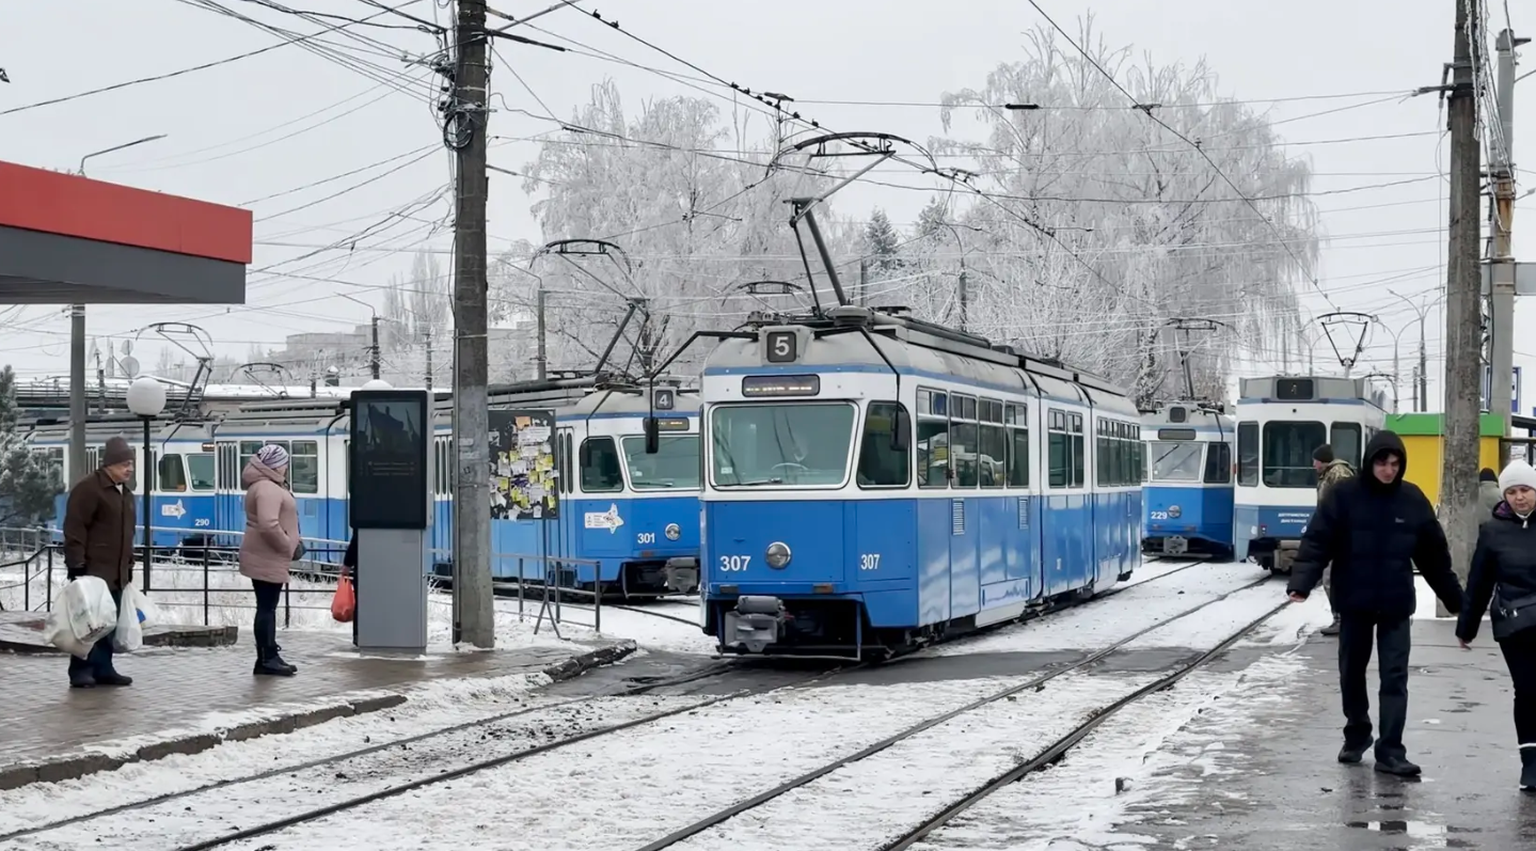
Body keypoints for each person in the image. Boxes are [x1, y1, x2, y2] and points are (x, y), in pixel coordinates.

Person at [1287, 430, 1464, 776]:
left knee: (1394, 677)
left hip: (1396, 604)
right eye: (1383, 463)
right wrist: (1301, 583)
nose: (1389, 470)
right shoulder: (1344, 496)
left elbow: (1434, 559)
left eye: (1395, 464)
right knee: (1351, 672)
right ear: (1370, 462)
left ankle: (1391, 750)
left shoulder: (1412, 500)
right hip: (1354, 602)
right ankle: (1357, 733)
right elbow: (1317, 540)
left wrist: (1458, 603)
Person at [1456, 459, 1536, 792]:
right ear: (1504, 496)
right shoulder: (1493, 531)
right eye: (1513, 492)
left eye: (1526, 490)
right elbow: (1479, 582)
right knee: (1528, 689)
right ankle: (1530, 764)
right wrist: (1466, 626)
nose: (1520, 497)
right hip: (1514, 625)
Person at [61, 436, 137, 689]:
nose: (130, 468)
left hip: (116, 571)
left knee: (108, 623)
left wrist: (129, 563)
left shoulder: (124, 493)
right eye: (125, 464)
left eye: (131, 464)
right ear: (110, 464)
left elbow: (128, 532)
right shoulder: (89, 489)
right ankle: (81, 670)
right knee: (88, 623)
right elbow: (75, 528)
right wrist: (77, 563)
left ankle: (104, 668)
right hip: (93, 570)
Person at [239, 444, 299, 676]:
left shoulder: (264, 485)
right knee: (267, 608)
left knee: (267, 607)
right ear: (276, 465)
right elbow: (268, 524)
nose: (286, 468)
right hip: (267, 555)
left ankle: (269, 654)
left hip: (264, 554)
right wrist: (287, 545)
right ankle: (267, 659)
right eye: (284, 463)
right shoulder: (267, 488)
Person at [1312, 444, 1355, 637]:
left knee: (1332, 579)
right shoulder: (1329, 475)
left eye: (1315, 461)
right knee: (1331, 579)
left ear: (1322, 461)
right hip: (1335, 535)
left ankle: (1342, 619)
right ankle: (1342, 618)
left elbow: (1347, 504)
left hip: (1341, 538)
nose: (1313, 465)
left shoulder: (1338, 474)